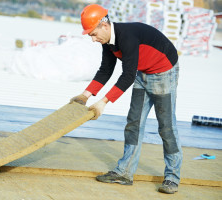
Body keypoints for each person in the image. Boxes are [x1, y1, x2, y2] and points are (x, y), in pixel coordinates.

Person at [70, 4, 182, 194]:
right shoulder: (108, 42)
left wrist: (103, 102)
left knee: (166, 126)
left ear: (104, 25)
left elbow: (127, 75)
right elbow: (106, 70)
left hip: (163, 73)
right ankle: (124, 172)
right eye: (90, 35)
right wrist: (85, 95)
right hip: (142, 72)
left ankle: (172, 177)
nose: (93, 39)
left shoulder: (127, 37)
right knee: (134, 123)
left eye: (93, 34)